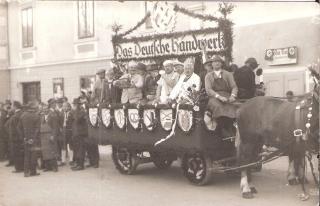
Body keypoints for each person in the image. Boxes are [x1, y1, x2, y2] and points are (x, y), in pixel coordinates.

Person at [205, 55, 238, 137]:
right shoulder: (208, 76)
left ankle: (233, 128)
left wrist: (233, 96)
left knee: (234, 107)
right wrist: (219, 97)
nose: (216, 63)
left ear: (221, 64)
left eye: (218, 62)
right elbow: (208, 90)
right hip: (214, 97)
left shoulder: (228, 74)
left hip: (227, 96)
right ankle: (222, 130)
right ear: (211, 64)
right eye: (214, 62)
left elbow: (234, 87)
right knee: (218, 107)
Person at [18, 101, 41, 177]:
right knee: (33, 155)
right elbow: (37, 129)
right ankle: (33, 171)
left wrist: (23, 137)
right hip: (33, 140)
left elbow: (18, 128)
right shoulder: (36, 116)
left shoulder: (23, 116)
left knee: (26, 156)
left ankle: (26, 172)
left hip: (25, 139)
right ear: (34, 108)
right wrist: (33, 139)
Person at [41, 99, 59, 172]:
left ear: (48, 109)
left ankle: (55, 167)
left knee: (52, 151)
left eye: (46, 109)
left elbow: (55, 127)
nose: (44, 110)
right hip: (43, 136)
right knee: (45, 152)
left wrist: (53, 136)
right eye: (43, 109)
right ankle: (48, 167)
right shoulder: (42, 116)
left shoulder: (52, 116)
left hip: (50, 135)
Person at [7, 101, 25, 172]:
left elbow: (14, 128)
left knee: (16, 153)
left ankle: (18, 168)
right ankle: (22, 166)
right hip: (21, 137)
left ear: (15, 107)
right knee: (21, 152)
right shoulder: (22, 114)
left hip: (15, 138)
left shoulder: (15, 116)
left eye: (13, 106)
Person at [71, 98, 88, 171]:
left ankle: (81, 165)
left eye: (75, 104)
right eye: (74, 104)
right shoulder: (76, 111)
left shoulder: (81, 111)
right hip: (76, 133)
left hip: (80, 133)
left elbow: (77, 119)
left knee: (80, 150)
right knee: (77, 149)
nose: (74, 106)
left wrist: (74, 112)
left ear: (78, 105)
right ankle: (78, 164)